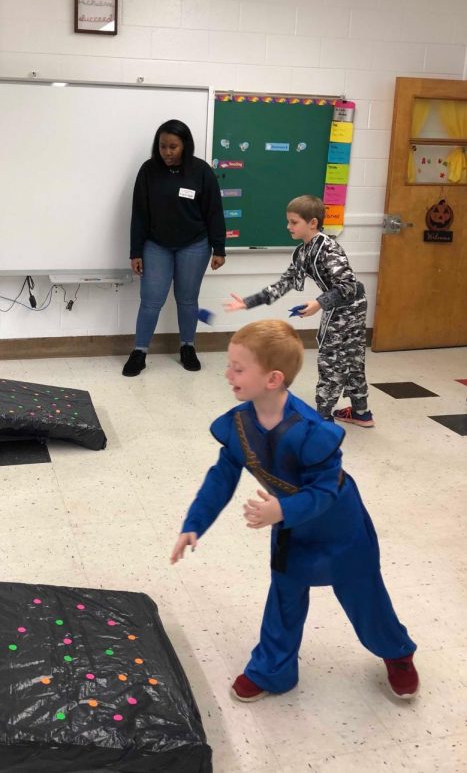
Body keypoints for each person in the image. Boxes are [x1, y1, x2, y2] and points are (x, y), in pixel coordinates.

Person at [170, 320, 418, 701]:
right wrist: (194, 523)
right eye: (228, 364)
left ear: (272, 379)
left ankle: (397, 652)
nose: (227, 374)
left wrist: (281, 510)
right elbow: (222, 477)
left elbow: (325, 490)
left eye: (238, 368)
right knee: (284, 597)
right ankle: (272, 671)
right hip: (289, 527)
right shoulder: (238, 424)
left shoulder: (313, 430)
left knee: (364, 595)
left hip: (341, 528)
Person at [225, 194, 373, 426]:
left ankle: (323, 418)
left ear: (312, 223)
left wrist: (318, 303)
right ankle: (361, 413)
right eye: (288, 221)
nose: (288, 226)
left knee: (333, 359)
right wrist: (249, 301)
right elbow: (285, 283)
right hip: (337, 305)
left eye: (294, 222)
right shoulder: (302, 252)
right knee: (351, 359)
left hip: (349, 306)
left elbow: (349, 286)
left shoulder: (329, 248)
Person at [123, 120, 226, 377]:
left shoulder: (201, 171)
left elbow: (214, 211)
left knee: (188, 299)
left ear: (184, 146)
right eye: (162, 146)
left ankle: (187, 347)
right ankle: (139, 351)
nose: (167, 152)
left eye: (173, 147)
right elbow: (139, 214)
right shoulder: (148, 171)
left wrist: (219, 248)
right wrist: (136, 251)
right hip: (156, 245)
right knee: (150, 301)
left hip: (195, 245)